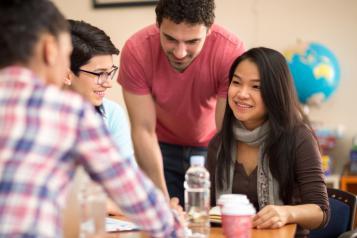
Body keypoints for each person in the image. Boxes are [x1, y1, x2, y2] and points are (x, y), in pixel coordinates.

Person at [0, 0, 183, 237]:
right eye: (66, 56)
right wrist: (175, 226)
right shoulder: (67, 111)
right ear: (49, 49)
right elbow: (134, 195)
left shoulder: (107, 112)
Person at [118, 0, 245, 205]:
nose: (180, 53)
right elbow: (142, 130)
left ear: (209, 30)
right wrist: (161, 202)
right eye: (170, 39)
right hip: (159, 149)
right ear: (158, 25)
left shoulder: (229, 51)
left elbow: (226, 131)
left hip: (212, 147)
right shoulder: (136, 50)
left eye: (192, 41)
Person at [206, 47, 330, 237]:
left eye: (256, 87)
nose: (242, 94)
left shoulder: (298, 138)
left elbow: (321, 212)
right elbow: (208, 209)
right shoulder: (219, 142)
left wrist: (287, 213)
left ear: (275, 92)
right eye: (236, 82)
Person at [64, 19, 134, 215]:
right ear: (66, 74)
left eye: (109, 72)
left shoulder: (111, 114)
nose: (108, 83)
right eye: (99, 74)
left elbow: (127, 186)